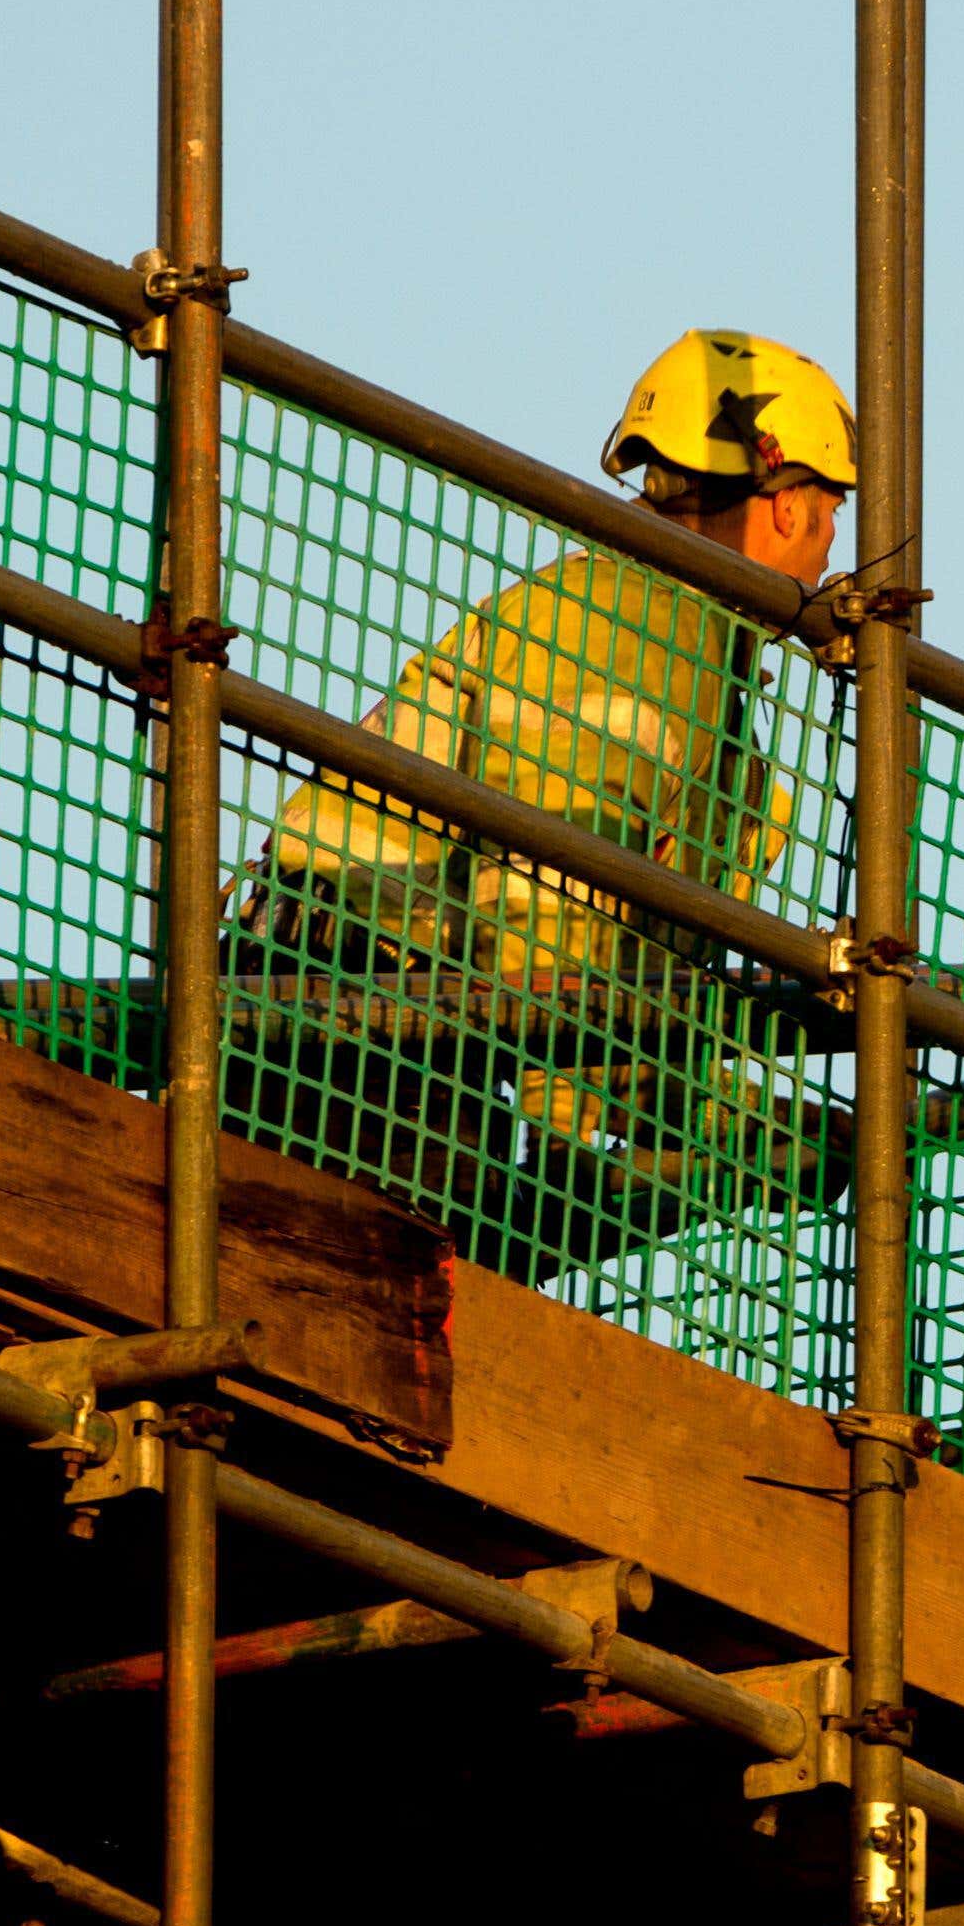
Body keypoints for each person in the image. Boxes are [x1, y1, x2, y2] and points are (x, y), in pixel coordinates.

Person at [239, 329, 855, 1248]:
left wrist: (760, 1129)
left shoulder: (677, 643)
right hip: (340, 1016)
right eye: (831, 511)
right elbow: (537, 907)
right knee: (422, 1267)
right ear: (783, 509)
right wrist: (563, 1133)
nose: (831, 546)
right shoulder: (641, 631)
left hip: (392, 1020)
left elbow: (626, 996)